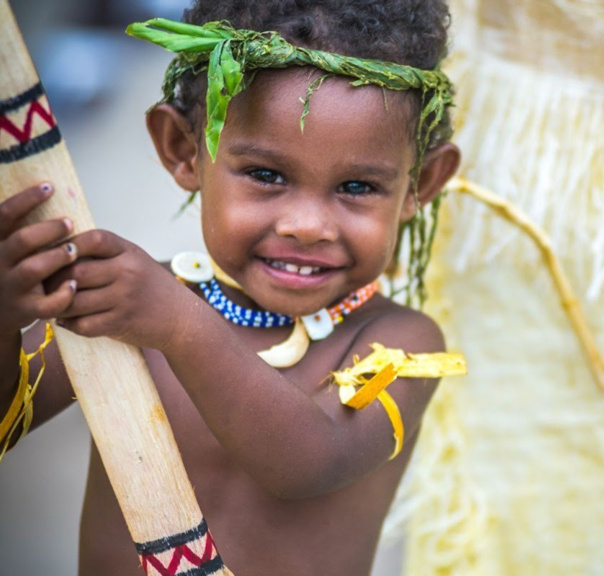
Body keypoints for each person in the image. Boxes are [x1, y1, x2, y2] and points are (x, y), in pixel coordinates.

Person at [0, 1, 461, 575]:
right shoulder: (131, 306)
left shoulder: (400, 343)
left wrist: (179, 326)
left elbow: (305, 464)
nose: (307, 225)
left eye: (357, 186)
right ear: (182, 149)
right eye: (267, 175)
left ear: (423, 183)